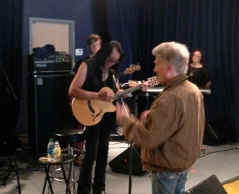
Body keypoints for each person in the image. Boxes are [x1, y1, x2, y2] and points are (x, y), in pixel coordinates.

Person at [116, 41, 205, 194]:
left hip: (167, 167)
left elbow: (148, 139)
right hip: (183, 163)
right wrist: (152, 117)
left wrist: (126, 120)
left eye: (157, 64)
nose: (154, 69)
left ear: (169, 67)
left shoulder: (169, 98)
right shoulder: (193, 90)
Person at [68, 40, 124, 194]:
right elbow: (73, 90)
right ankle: (84, 190)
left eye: (115, 61)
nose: (112, 63)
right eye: (110, 59)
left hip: (105, 116)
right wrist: (98, 95)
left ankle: (99, 189)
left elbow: (116, 94)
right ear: (103, 53)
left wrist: (124, 98)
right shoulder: (87, 65)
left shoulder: (112, 74)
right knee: (91, 153)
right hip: (89, 114)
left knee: (103, 153)